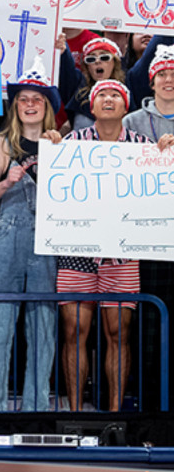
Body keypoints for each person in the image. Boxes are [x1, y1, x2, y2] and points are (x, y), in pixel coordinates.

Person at [57, 80, 159, 411]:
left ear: (126, 105)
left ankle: (115, 415)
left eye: (116, 94)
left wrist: (167, 154)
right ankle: (74, 413)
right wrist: (50, 146)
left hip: (122, 252)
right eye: (102, 94)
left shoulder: (144, 146)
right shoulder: (72, 143)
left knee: (119, 335)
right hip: (77, 252)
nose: (109, 99)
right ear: (92, 105)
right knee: (74, 333)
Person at [0, 58, 62, 412]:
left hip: (48, 239)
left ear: (47, 107)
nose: (29, 104)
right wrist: (4, 183)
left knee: (43, 326)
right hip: (6, 236)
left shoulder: (62, 143)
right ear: (15, 106)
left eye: (37, 99)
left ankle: (37, 409)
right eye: (24, 98)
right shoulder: (1, 143)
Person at [122, 45, 174, 410]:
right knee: (151, 324)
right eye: (163, 74)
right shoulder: (131, 122)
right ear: (151, 80)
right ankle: (150, 405)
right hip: (147, 236)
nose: (169, 80)